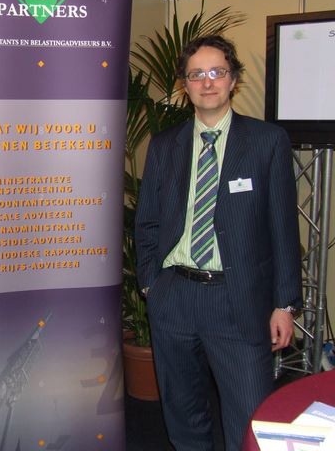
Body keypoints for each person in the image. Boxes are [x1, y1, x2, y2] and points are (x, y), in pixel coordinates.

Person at [135, 35, 301, 450]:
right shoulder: (165, 145)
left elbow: (283, 227)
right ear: (184, 85)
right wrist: (152, 285)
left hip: (238, 299)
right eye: (196, 75)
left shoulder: (266, 141)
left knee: (249, 416)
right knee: (183, 412)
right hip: (174, 296)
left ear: (233, 80)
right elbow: (147, 221)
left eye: (216, 72)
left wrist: (284, 304)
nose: (207, 82)